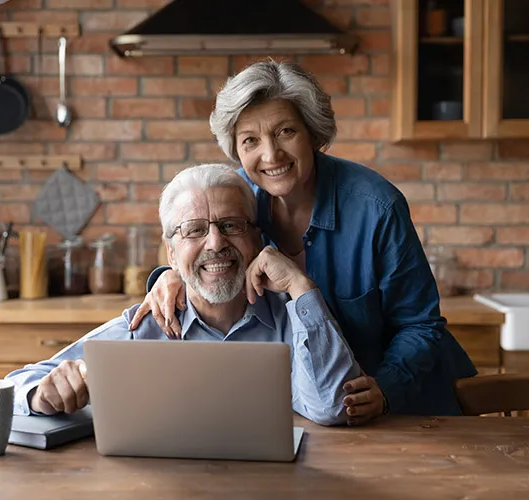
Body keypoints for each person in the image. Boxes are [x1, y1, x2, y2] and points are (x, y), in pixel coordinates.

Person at [130, 60, 477, 424]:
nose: (271, 155)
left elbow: (421, 324)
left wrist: (386, 389)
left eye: (285, 132)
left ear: (312, 132)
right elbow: (193, 245)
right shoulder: (235, 199)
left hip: (404, 408)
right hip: (307, 411)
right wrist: (171, 277)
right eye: (251, 140)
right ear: (236, 149)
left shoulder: (376, 207)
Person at [5, 163, 361, 427]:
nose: (216, 243)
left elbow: (332, 407)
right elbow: (12, 389)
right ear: (171, 253)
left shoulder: (294, 322)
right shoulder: (146, 325)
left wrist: (301, 286)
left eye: (231, 225)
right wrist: (39, 395)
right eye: (194, 231)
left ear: (256, 239)